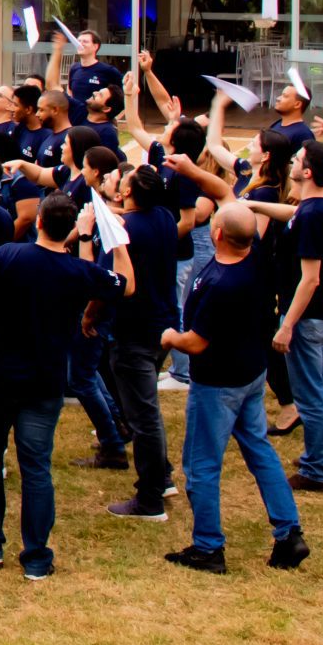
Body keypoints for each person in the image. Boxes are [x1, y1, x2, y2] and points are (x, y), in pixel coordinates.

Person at [0, 191, 131, 579]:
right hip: (43, 383)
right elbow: (125, 284)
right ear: (70, 231)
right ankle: (36, 556)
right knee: (36, 467)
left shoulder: (8, 256)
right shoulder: (77, 271)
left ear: (38, 222)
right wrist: (115, 240)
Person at [160, 201, 311, 574]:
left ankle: (208, 547)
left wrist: (169, 337)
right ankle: (289, 532)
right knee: (259, 450)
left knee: (201, 465)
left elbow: (196, 342)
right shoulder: (255, 258)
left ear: (216, 235)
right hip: (251, 373)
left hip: (217, 383)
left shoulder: (221, 284)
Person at [101, 164, 181, 522]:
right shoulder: (163, 217)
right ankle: (162, 477)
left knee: (142, 416)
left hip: (133, 330)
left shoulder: (125, 231)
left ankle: (150, 498)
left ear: (129, 192)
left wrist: (90, 317)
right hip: (162, 325)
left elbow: (110, 282)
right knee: (146, 409)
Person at [271, 141, 323, 492]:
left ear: (307, 172)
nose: (292, 161)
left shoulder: (312, 214)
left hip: (306, 317)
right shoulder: (318, 205)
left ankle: (315, 469)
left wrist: (287, 325)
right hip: (315, 314)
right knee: (317, 388)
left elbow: (311, 278)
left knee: (309, 394)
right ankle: (317, 455)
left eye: (298, 159)